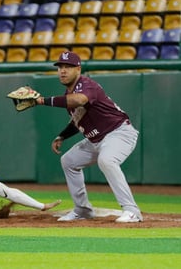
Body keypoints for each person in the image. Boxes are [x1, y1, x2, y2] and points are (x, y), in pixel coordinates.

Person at [34, 51, 142, 223]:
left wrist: (42, 100)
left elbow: (78, 100)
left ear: (78, 69)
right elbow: (77, 118)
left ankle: (132, 211)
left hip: (119, 133)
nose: (62, 70)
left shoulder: (86, 85)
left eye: (68, 67)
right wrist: (62, 136)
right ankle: (83, 210)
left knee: (107, 160)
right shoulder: (70, 94)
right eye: (60, 67)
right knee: (69, 161)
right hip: (97, 140)